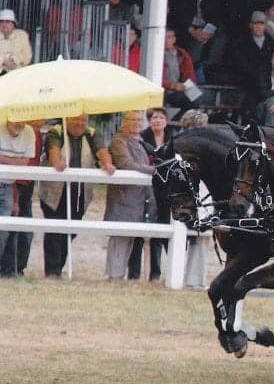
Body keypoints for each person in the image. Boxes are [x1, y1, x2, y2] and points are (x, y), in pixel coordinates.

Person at [40, 114, 115, 277]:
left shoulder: (91, 133)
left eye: (83, 120)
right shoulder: (56, 132)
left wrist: (107, 163)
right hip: (54, 193)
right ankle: (53, 271)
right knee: (55, 229)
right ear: (67, 119)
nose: (79, 123)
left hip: (79, 194)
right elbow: (53, 152)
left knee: (71, 230)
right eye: (75, 119)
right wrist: (57, 162)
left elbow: (102, 150)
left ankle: (58, 266)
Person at [104, 112, 156, 280]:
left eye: (139, 120)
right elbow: (126, 164)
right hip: (123, 196)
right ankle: (114, 275)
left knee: (129, 237)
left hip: (138, 198)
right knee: (120, 237)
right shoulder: (120, 141)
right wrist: (154, 170)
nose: (136, 122)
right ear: (124, 122)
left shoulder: (139, 141)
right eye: (132, 119)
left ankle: (119, 275)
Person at [128, 108, 174, 281]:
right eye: (154, 117)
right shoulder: (142, 138)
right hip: (145, 189)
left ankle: (155, 273)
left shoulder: (172, 138)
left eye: (161, 117)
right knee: (139, 232)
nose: (157, 120)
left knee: (159, 232)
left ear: (166, 121)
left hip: (165, 192)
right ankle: (134, 272)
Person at [0, 119, 43, 277]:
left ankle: (12, 269)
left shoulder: (31, 133)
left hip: (14, 185)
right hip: (14, 183)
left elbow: (26, 162)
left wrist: (3, 159)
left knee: (10, 230)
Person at [234, 11, 274, 119]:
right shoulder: (241, 42)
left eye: (261, 24)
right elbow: (241, 64)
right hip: (247, 80)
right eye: (256, 24)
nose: (258, 27)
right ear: (250, 25)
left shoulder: (270, 42)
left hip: (265, 80)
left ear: (265, 26)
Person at [162, 26, 199, 116]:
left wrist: (187, 85)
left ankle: (176, 125)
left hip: (180, 88)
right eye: (164, 37)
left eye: (169, 37)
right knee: (190, 101)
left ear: (174, 39)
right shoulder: (156, 53)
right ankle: (174, 126)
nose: (166, 40)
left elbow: (190, 75)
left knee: (196, 97)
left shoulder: (181, 53)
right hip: (164, 90)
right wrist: (172, 85)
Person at [0, 9, 32, 76]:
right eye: (1, 22)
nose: (4, 24)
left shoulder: (22, 35)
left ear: (13, 24)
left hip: (18, 73)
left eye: (7, 22)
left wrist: (14, 60)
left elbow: (28, 56)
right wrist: (3, 61)